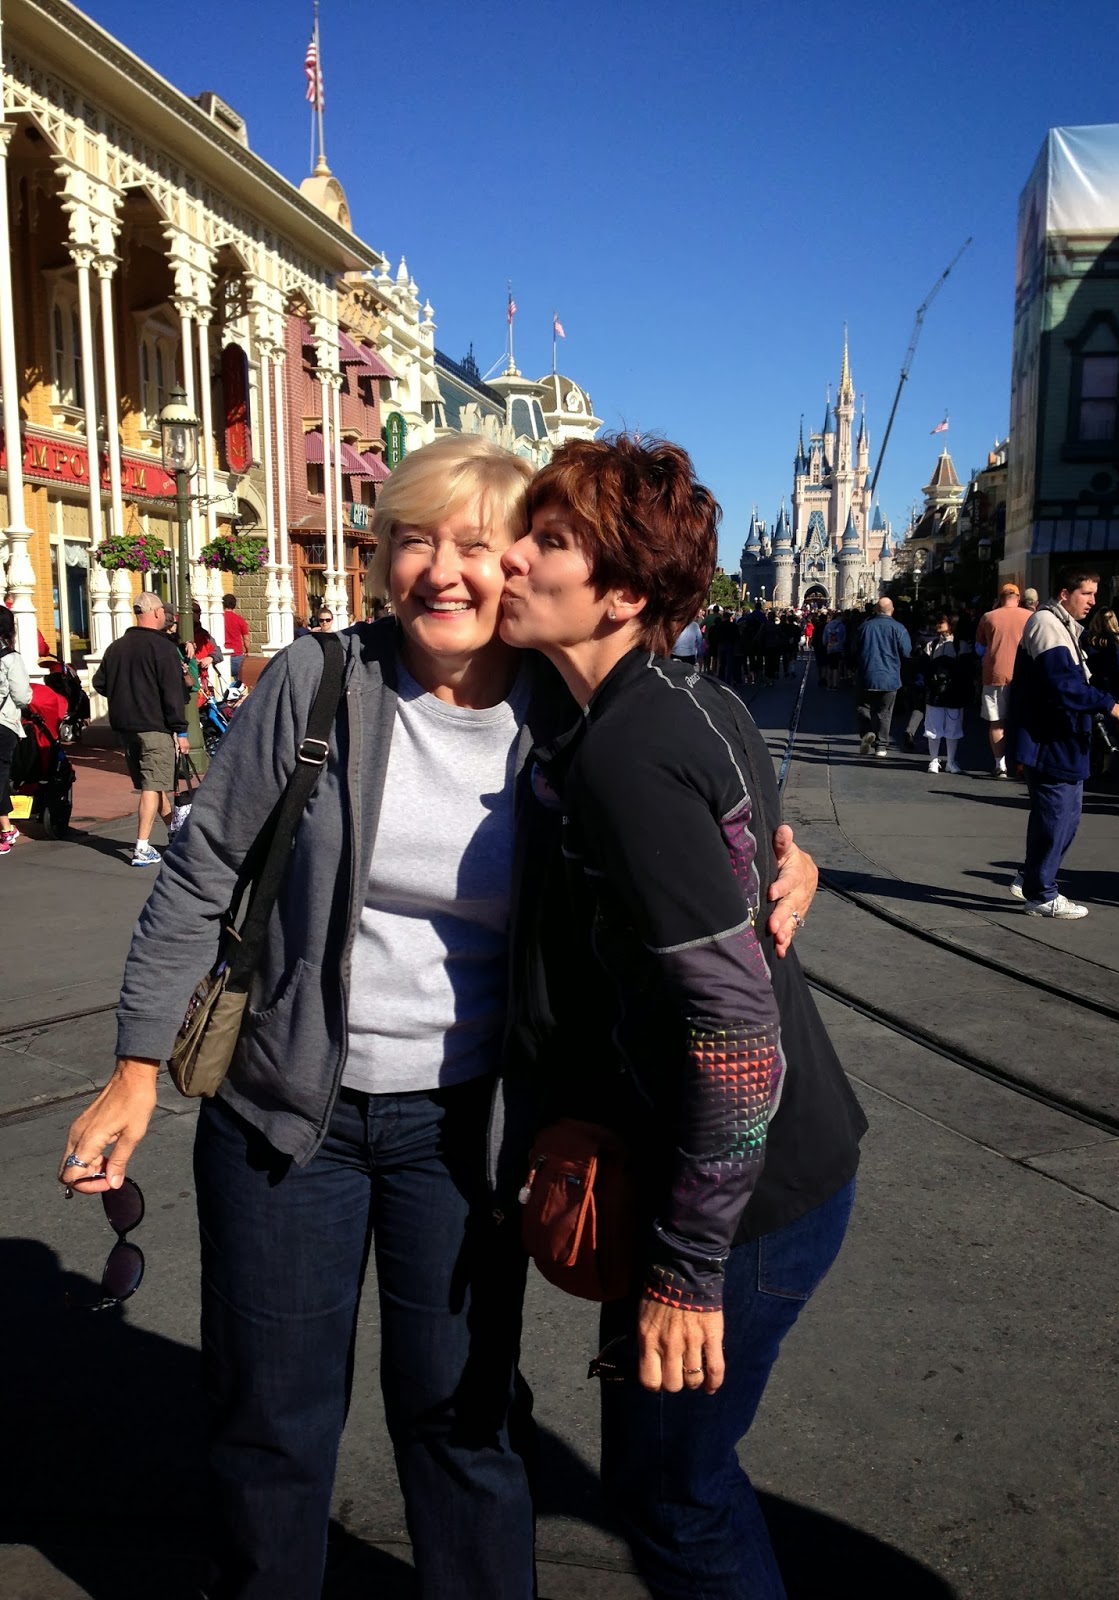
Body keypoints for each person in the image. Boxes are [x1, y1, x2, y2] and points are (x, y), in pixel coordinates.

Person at [58, 435, 815, 1599]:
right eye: (415, 539)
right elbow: (203, 870)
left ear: (516, 563)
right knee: (270, 1423)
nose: (443, 569)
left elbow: (707, 789)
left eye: (475, 542)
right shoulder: (318, 679)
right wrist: (135, 1065)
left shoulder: (565, 712)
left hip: (467, 1129)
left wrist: (786, 862)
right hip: (284, 1117)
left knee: (463, 1421)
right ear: (382, 558)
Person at [498, 434, 867, 1600]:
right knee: (678, 1480)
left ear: (621, 590)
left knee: (672, 1491)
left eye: (547, 541)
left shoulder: (629, 750)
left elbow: (736, 1032)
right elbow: (753, 867)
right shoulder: (686, 699)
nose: (510, 558)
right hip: (785, 1171)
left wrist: (686, 1268)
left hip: (736, 1205)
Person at [1008, 568, 1119, 919]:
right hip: (1050, 739)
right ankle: (1041, 893)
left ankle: (1033, 877)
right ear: (1065, 594)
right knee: (1056, 817)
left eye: (1094, 594)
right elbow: (1063, 684)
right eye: (1086, 594)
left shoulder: (1062, 625)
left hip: (1063, 737)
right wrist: (1108, 704)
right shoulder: (1048, 624)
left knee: (1065, 818)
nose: (1093, 601)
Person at [92, 590, 190, 867]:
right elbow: (173, 693)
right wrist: (181, 731)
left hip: (126, 727)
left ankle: (174, 831)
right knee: (152, 784)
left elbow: (100, 683)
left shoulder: (117, 647)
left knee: (154, 782)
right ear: (157, 613)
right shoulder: (162, 648)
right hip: (154, 726)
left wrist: (125, 694)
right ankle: (142, 846)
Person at [975, 583, 1028, 778]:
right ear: (1018, 598)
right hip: (1022, 674)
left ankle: (1000, 764)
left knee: (996, 722)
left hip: (995, 674)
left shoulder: (988, 617)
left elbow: (981, 643)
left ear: (1000, 598)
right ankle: (1022, 763)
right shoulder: (1029, 617)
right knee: (1024, 720)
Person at [853, 596, 911, 757]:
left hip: (867, 674)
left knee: (863, 706)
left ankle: (867, 732)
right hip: (890, 677)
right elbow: (906, 652)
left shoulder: (864, 627)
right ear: (892, 610)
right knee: (884, 712)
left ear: (875, 610)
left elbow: (853, 649)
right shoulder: (899, 628)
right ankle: (881, 746)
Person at [0, 606, 32, 855]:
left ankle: (6, 828)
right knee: (1, 774)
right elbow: (22, 696)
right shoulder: (10, 658)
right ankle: (6, 828)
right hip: (4, 722)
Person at [923, 614, 972, 773]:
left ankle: (950, 761)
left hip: (954, 693)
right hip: (935, 693)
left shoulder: (961, 646)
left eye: (941, 622)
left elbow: (966, 670)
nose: (938, 624)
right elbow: (924, 668)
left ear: (951, 625)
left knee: (953, 728)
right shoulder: (931, 645)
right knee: (933, 728)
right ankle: (933, 760)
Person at [222, 593, 252, 684]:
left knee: (222, 682)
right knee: (240, 684)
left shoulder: (219, 618)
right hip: (237, 654)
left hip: (222, 654)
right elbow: (246, 639)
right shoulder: (239, 620)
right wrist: (247, 651)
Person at [821, 609, 845, 688]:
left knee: (829, 666)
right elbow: (844, 638)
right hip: (838, 649)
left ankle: (829, 683)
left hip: (829, 648)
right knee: (836, 667)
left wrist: (826, 644)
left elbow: (824, 639)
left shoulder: (828, 625)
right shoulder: (842, 626)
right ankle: (834, 683)